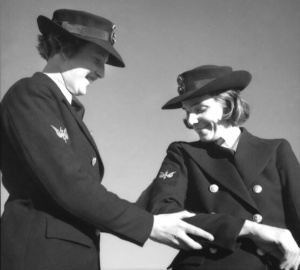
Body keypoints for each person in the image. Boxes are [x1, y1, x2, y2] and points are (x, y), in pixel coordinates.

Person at [0, 10, 214, 270]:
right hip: (39, 258)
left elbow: (87, 196)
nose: (101, 73)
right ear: (62, 46)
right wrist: (150, 226)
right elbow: (70, 185)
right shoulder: (30, 95)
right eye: (97, 59)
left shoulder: (68, 110)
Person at [143, 65, 300, 270]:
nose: (191, 121)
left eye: (199, 109)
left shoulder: (276, 149)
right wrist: (249, 229)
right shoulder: (182, 153)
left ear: (227, 105)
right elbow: (163, 212)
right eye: (187, 112)